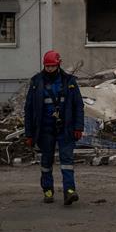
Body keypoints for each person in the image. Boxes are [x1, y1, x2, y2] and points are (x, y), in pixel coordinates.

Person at [24, 50, 84, 205]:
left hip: (66, 128)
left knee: (67, 160)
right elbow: (29, 109)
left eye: (52, 66)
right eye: (47, 66)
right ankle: (48, 190)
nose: (49, 69)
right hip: (45, 129)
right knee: (46, 161)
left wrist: (78, 127)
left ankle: (69, 191)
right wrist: (29, 134)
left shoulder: (69, 81)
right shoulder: (36, 82)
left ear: (58, 64)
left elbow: (78, 106)